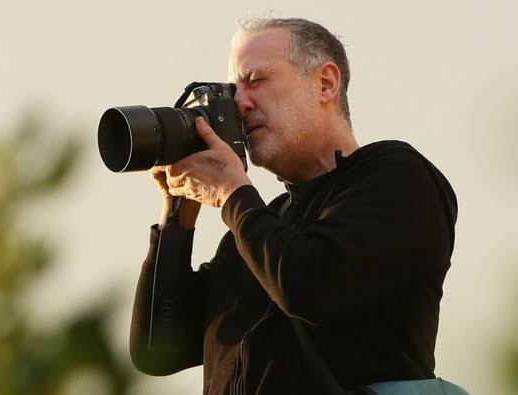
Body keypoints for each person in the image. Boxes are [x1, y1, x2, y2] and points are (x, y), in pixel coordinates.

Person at [128, 17, 458, 394]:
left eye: (257, 81)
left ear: (325, 83)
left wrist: (232, 193)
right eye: (234, 89)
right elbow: (157, 352)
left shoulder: (396, 177)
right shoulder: (259, 225)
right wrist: (176, 218)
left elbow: (311, 288)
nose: (240, 103)